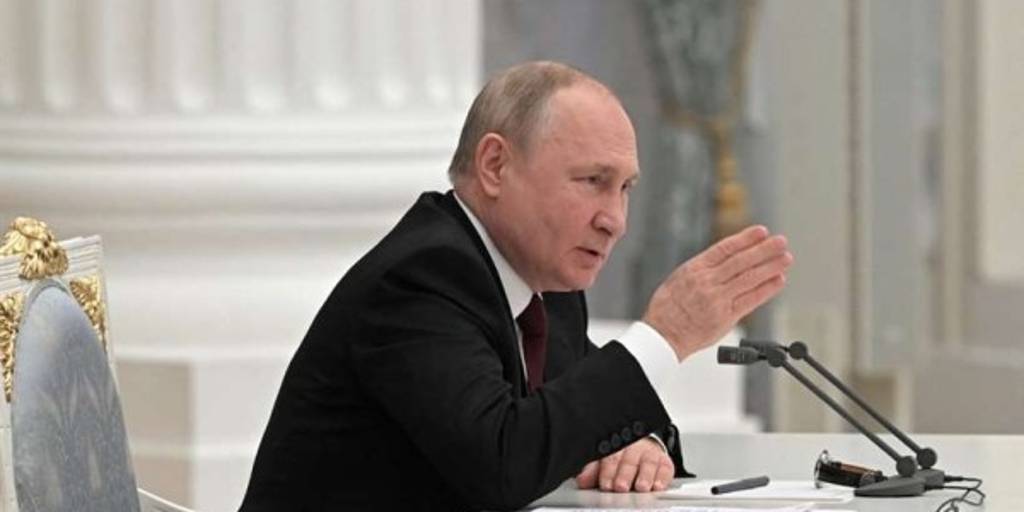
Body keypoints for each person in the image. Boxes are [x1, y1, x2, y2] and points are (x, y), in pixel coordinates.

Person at [239, 61, 792, 511]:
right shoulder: (422, 277)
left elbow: (584, 408)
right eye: (593, 181)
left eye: (625, 188)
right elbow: (503, 463)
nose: (615, 220)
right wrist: (664, 335)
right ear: (495, 165)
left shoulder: (547, 287)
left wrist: (642, 443)